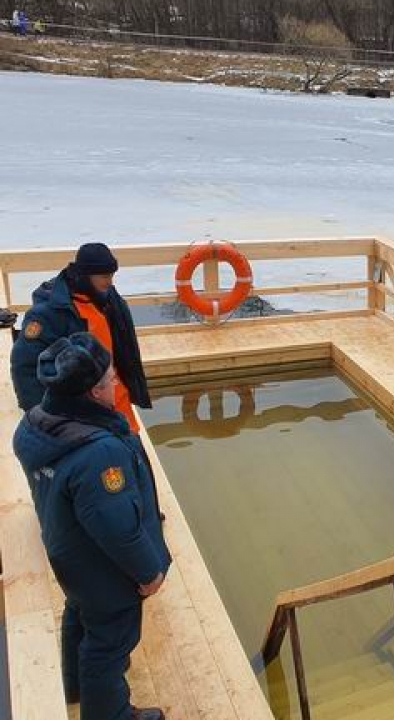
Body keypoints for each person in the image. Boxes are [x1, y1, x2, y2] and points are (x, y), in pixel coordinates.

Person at [12, 332, 171, 720]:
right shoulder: (99, 452)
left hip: (69, 553)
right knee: (109, 645)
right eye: (109, 381)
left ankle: (76, 685)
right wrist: (149, 571)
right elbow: (118, 528)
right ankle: (110, 713)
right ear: (91, 394)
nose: (116, 384)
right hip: (105, 570)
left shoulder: (36, 423)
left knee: (79, 613)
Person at [11, 242, 151, 433]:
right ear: (84, 276)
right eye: (104, 276)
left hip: (116, 394)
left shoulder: (109, 299)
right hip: (84, 408)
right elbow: (25, 367)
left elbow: (125, 350)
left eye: (112, 275)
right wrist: (44, 416)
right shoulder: (50, 313)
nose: (110, 282)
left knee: (132, 447)